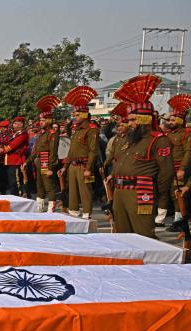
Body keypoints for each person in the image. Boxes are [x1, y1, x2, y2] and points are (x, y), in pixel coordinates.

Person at [108, 74, 174, 237]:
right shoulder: (130, 140)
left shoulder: (158, 140)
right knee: (122, 236)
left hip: (140, 193)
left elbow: (167, 172)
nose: (129, 124)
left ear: (144, 118)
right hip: (120, 192)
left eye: (132, 120)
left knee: (143, 235)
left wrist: (156, 193)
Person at [60, 86, 99, 219]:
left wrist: (89, 168)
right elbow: (71, 151)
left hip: (84, 165)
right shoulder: (76, 130)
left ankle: (87, 214)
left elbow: (93, 151)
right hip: (73, 165)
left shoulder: (92, 129)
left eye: (77, 115)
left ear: (84, 114)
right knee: (73, 191)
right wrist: (65, 167)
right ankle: (73, 212)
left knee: (85, 191)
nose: (74, 118)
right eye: (73, 115)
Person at [26, 96, 60, 212]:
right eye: (40, 120)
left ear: (49, 120)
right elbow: (35, 150)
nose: (41, 123)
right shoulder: (41, 133)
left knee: (48, 185)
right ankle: (39, 206)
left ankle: (51, 207)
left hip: (46, 161)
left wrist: (51, 167)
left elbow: (53, 152)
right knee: (39, 184)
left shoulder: (52, 133)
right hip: (39, 161)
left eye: (43, 120)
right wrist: (27, 161)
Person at [164, 95, 191, 230]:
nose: (170, 121)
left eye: (173, 119)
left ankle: (180, 221)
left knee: (178, 195)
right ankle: (177, 220)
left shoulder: (186, 133)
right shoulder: (169, 134)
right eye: (170, 119)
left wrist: (182, 169)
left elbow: (188, 152)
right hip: (170, 168)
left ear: (180, 120)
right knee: (172, 194)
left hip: (180, 168)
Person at [0, 116, 29, 196]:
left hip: (16, 161)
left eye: (15, 124)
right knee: (12, 182)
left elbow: (12, 145)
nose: (13, 125)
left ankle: (20, 198)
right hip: (11, 160)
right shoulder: (16, 134)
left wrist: (2, 150)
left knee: (16, 182)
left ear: (21, 124)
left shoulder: (23, 134)